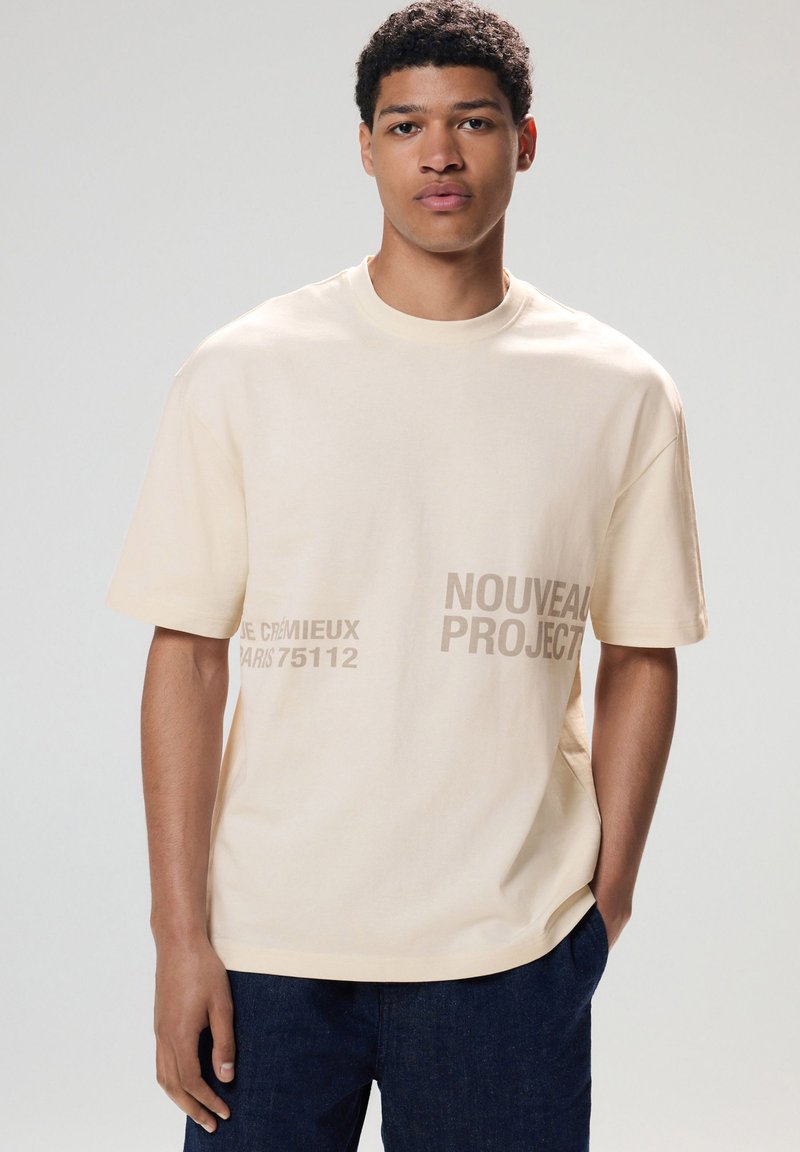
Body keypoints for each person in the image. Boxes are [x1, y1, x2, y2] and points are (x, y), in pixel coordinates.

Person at [105, 2, 709, 1148]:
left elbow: (640, 650)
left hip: (510, 949)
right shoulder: (245, 371)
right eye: (404, 126)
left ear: (524, 142)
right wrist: (179, 938)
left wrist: (605, 902)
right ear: (365, 146)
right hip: (268, 946)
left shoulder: (616, 390)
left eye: (471, 122)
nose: (439, 154)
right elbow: (185, 654)